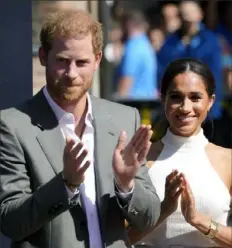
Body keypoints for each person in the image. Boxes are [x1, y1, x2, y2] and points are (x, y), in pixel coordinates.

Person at [0, 9, 160, 248]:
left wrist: (126, 185)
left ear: (97, 60)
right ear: (43, 56)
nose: (71, 74)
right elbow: (10, 221)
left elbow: (149, 219)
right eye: (62, 61)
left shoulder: (124, 119)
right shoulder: (13, 125)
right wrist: (66, 185)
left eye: (81, 62)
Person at [126, 58, 232, 247]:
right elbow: (116, 238)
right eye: (176, 97)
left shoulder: (227, 160)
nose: (185, 107)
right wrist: (163, 211)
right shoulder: (140, 157)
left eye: (195, 97)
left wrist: (198, 220)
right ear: (163, 99)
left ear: (210, 101)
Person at [157, 0, 223, 121]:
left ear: (200, 14)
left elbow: (212, 72)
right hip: (177, 103)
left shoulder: (210, 40)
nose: (187, 15)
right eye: (183, 12)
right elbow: (163, 68)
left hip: (204, 106)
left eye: (190, 12)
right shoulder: (171, 41)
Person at [114, 10, 158, 99]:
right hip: (147, 102)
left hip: (134, 103)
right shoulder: (145, 44)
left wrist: (118, 106)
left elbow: (127, 80)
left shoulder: (133, 47)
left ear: (129, 25)